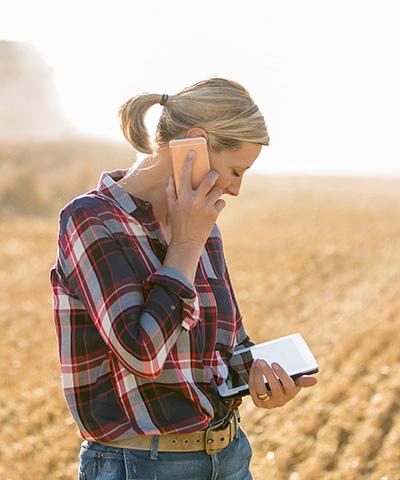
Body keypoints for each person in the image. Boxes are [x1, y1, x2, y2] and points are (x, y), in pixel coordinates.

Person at [50, 77, 318, 480]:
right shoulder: (93, 219)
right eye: (235, 170)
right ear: (193, 144)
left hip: (229, 456)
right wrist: (187, 242)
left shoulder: (202, 225)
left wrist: (256, 375)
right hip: (142, 465)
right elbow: (143, 355)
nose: (236, 189)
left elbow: (226, 347)